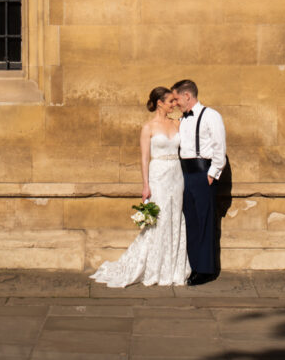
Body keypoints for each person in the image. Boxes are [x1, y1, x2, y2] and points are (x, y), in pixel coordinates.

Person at [90, 87, 190, 287]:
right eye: (170, 101)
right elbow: (144, 158)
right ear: (160, 103)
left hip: (177, 174)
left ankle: (173, 269)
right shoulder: (148, 127)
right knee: (159, 219)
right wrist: (145, 185)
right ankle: (155, 269)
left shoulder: (178, 123)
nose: (174, 104)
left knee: (175, 217)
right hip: (158, 174)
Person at [171, 79, 226, 286]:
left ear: (187, 96)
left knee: (204, 222)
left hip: (204, 174)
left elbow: (219, 147)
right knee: (190, 222)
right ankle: (193, 266)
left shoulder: (211, 115)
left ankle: (206, 270)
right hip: (184, 175)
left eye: (176, 98)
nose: (175, 103)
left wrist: (212, 174)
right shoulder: (182, 119)